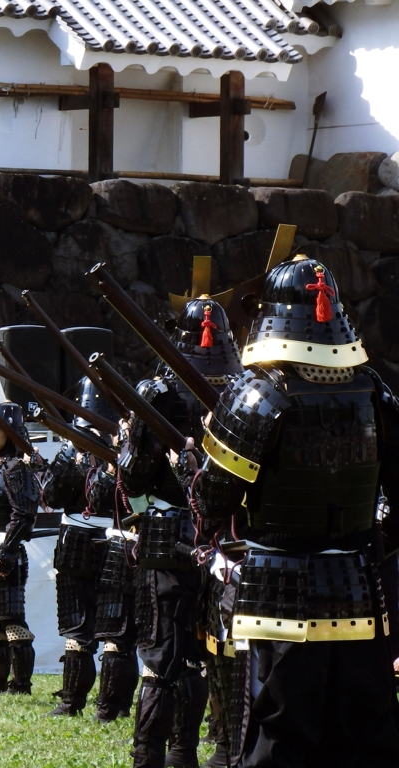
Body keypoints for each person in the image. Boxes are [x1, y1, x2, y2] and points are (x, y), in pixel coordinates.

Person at [180, 256, 399, 767]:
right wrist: (363, 539)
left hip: (278, 593)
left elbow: (212, 502)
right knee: (365, 740)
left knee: (281, 741)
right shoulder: (374, 391)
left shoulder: (258, 394)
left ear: (276, 315)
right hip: (359, 591)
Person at [118, 296, 242, 768]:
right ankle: (181, 754)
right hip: (216, 540)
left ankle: (158, 755)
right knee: (198, 652)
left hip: (177, 537)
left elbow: (132, 477)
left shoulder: (162, 392)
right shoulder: (246, 388)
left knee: (167, 658)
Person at [45, 377, 138, 721]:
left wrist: (112, 462)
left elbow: (105, 499)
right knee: (76, 629)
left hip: (114, 543)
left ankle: (111, 707)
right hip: (74, 543)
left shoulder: (126, 454)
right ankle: (71, 701)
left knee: (116, 632)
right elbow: (52, 497)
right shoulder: (74, 453)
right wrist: (68, 456)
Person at [0, 402, 38, 694]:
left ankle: (20, 684)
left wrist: (9, 551)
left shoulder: (16, 467)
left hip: (6, 550)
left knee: (11, 619)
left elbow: (23, 514)